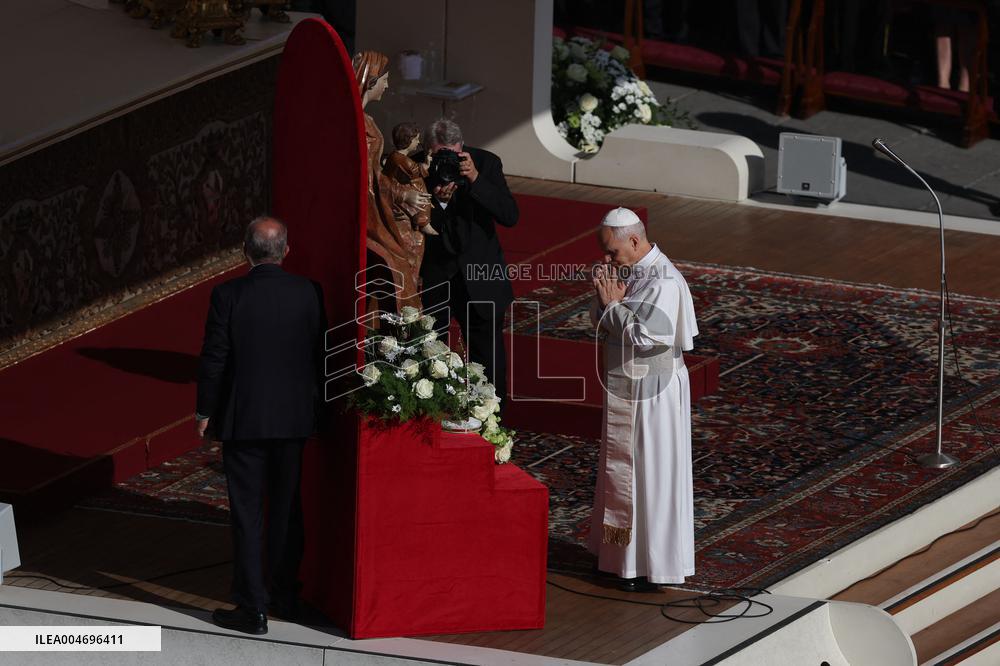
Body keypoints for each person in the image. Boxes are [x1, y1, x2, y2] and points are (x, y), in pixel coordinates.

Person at [196, 217, 326, 634]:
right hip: (293, 420)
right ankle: (285, 594)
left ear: (245, 251)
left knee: (247, 515)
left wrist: (204, 412)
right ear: (286, 251)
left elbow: (215, 358)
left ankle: (252, 608)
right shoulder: (309, 292)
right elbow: (320, 356)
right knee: (287, 510)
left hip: (244, 420)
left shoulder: (227, 295)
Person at [587, 207, 698, 591]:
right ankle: (620, 560)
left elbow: (648, 338)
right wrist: (605, 303)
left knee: (652, 475)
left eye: (612, 252)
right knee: (625, 472)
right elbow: (607, 319)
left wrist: (613, 305)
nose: (607, 260)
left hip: (655, 392)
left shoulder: (664, 280)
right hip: (629, 387)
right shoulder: (633, 270)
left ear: (634, 241)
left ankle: (652, 567)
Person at [418, 118, 519, 411]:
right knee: (426, 351)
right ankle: (428, 417)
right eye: (439, 155)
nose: (447, 161)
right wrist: (436, 202)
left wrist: (475, 178)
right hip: (434, 274)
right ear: (427, 150)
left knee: (488, 358)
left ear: (462, 147)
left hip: (481, 277)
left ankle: (491, 421)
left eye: (453, 153)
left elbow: (510, 216)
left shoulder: (486, 164)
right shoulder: (415, 167)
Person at [353, 51, 430, 313]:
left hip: (378, 202)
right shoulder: (359, 128)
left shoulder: (367, 121)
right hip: (369, 212)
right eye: (384, 80)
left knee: (409, 249)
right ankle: (399, 329)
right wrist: (401, 195)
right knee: (400, 261)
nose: (387, 85)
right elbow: (366, 181)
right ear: (371, 82)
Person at [383, 122, 432, 233]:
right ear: (408, 140)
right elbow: (414, 171)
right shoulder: (401, 158)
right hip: (398, 190)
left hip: (400, 186)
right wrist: (427, 164)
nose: (418, 142)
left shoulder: (397, 156)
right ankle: (423, 221)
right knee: (422, 194)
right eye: (416, 139)